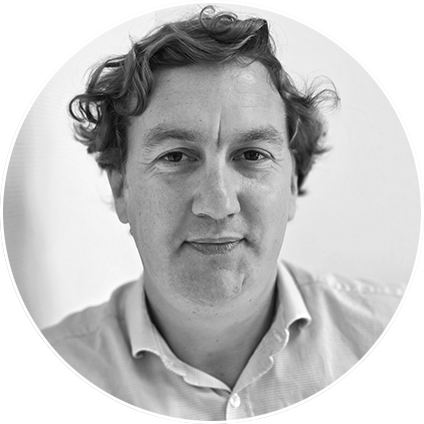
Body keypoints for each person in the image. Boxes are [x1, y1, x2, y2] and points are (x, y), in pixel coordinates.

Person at [42, 6, 403, 421]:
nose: (218, 204)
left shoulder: (399, 343)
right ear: (121, 188)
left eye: (252, 155)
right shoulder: (41, 380)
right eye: (175, 156)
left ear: (291, 184)